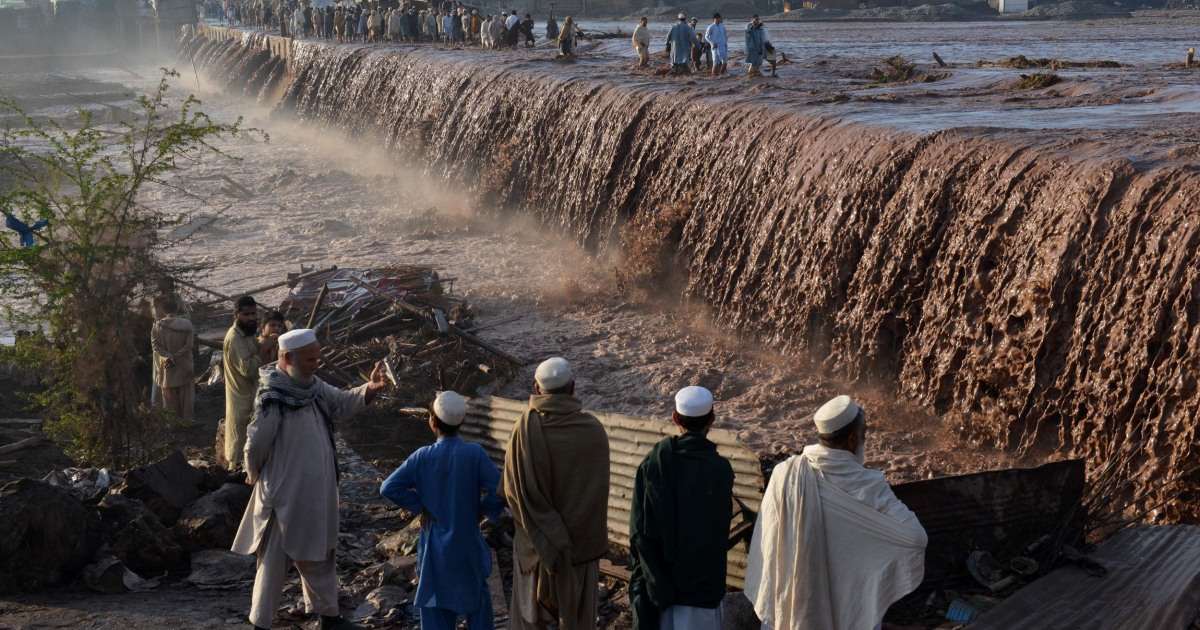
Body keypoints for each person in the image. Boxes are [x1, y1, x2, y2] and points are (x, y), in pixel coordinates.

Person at [232, 329, 388, 630]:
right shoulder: (273, 395)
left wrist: (370, 388)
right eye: (309, 359)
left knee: (319, 553)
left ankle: (329, 617)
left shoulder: (312, 386)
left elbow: (342, 403)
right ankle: (260, 623)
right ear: (287, 358)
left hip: (316, 491)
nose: (316, 364)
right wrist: (256, 476)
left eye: (318, 357)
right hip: (284, 493)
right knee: (274, 563)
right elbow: (256, 443)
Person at [744, 396, 927, 630]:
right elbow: (916, 538)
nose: (864, 440)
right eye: (864, 434)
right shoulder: (866, 484)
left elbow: (770, 539)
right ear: (853, 439)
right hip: (847, 610)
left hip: (791, 607)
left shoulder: (785, 473)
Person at [380, 391, 505, 630]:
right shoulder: (475, 453)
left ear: (432, 422)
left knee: (435, 602)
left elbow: (388, 487)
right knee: (477, 601)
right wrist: (484, 510)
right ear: (463, 421)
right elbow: (501, 488)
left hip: (435, 543)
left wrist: (420, 507)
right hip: (468, 541)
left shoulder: (422, 457)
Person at [502, 358, 610, 630]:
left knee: (530, 622)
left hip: (535, 550)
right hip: (579, 553)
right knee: (578, 620)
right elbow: (597, 494)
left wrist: (545, 530)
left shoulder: (522, 430)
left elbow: (509, 491)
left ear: (536, 389)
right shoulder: (594, 431)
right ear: (573, 387)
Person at [630, 386, 733, 630]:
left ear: (675, 419)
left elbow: (639, 531)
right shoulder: (721, 470)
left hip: (664, 592)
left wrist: (653, 583)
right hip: (705, 590)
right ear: (712, 420)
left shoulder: (655, 463)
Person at [223, 295, 276, 470]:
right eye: (246, 315)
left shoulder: (247, 334)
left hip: (251, 396)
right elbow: (247, 369)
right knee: (240, 456)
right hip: (242, 401)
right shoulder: (234, 339)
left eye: (253, 314)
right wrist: (264, 348)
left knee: (250, 450)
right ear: (236, 314)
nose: (251, 318)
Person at [152, 298, 195, 424]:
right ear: (177, 309)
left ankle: (172, 426)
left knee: (169, 400)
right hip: (184, 367)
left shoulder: (157, 326)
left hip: (166, 368)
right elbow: (189, 346)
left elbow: (155, 347)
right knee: (186, 399)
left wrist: (168, 357)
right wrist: (176, 356)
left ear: (163, 311)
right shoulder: (186, 324)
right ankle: (188, 423)